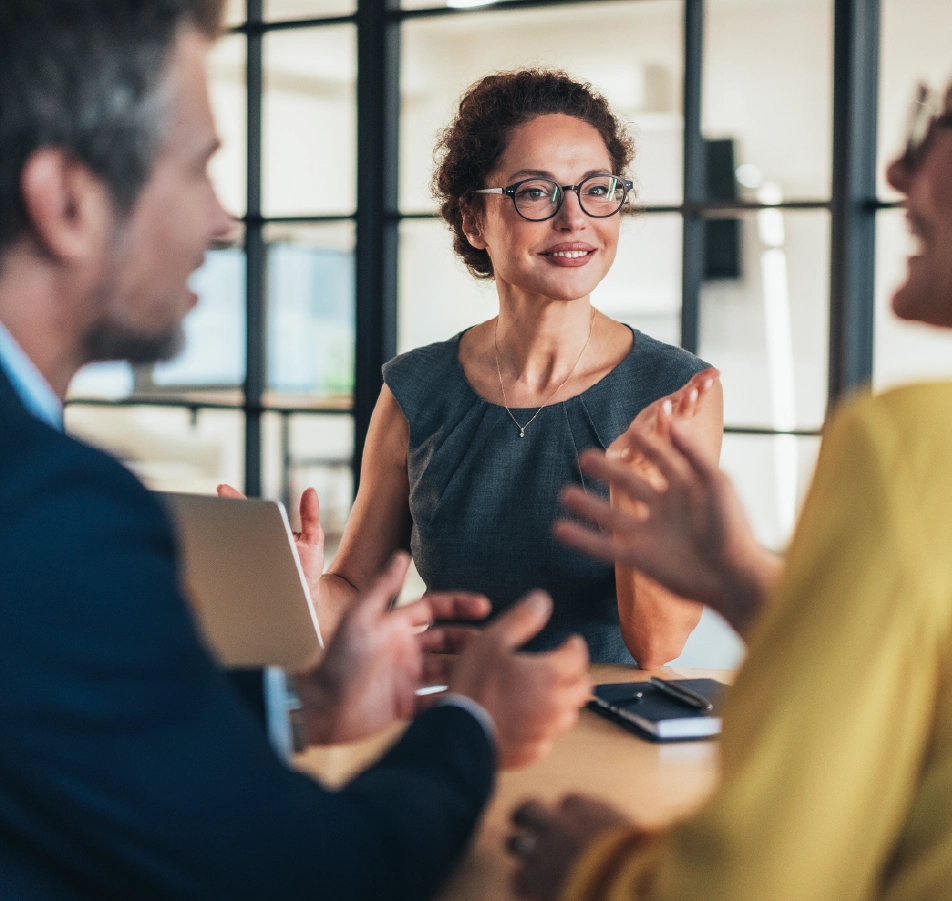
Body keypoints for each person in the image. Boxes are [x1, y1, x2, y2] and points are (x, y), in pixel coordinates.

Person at [505, 0, 952, 898]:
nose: (897, 168)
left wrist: (597, 868)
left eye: (945, 119)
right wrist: (741, 579)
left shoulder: (917, 446)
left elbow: (754, 887)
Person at [0, 1, 590, 897]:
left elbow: (54, 731)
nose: (223, 219)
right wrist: (470, 721)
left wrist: (302, 704)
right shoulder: (51, 509)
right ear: (68, 201)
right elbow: (312, 873)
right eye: (195, 169)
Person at [310, 69, 724, 669]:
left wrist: (632, 505)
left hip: (595, 717)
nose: (574, 219)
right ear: (473, 221)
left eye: (597, 189)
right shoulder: (416, 388)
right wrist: (299, 589)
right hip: (449, 709)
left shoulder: (673, 392)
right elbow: (356, 592)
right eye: (535, 192)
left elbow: (658, 645)